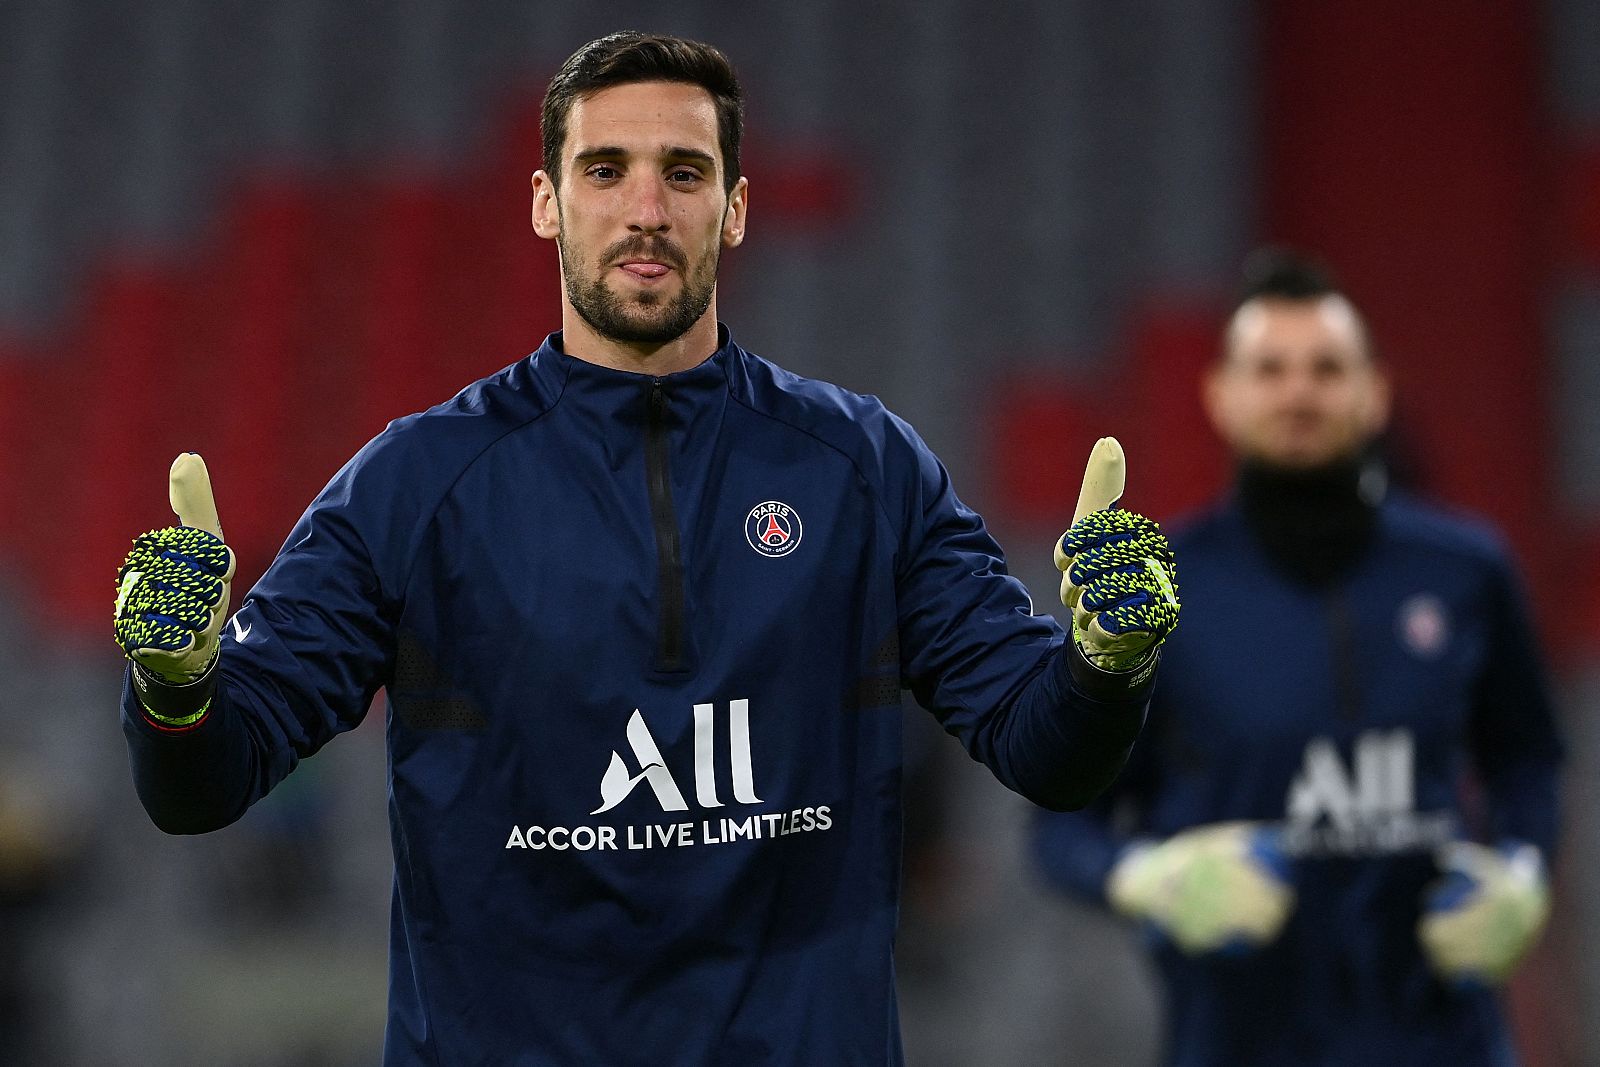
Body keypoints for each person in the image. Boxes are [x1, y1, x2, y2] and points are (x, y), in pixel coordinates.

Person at [110, 32, 1180, 1065]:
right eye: (604, 168)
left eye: (684, 170)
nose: (645, 208)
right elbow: (203, 783)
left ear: (737, 205)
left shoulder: (862, 467)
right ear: (546, 202)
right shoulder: (417, 483)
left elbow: (1046, 752)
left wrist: (1105, 665)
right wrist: (175, 685)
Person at [1033, 250, 1564, 1067]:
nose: (1298, 390)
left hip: (1444, 1042)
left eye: (1326, 366)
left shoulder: (1466, 571)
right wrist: (1148, 878)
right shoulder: (1158, 587)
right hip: (1235, 1044)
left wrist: (1524, 873)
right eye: (1270, 367)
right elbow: (1060, 820)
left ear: (1374, 390)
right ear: (1221, 393)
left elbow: (1528, 758)